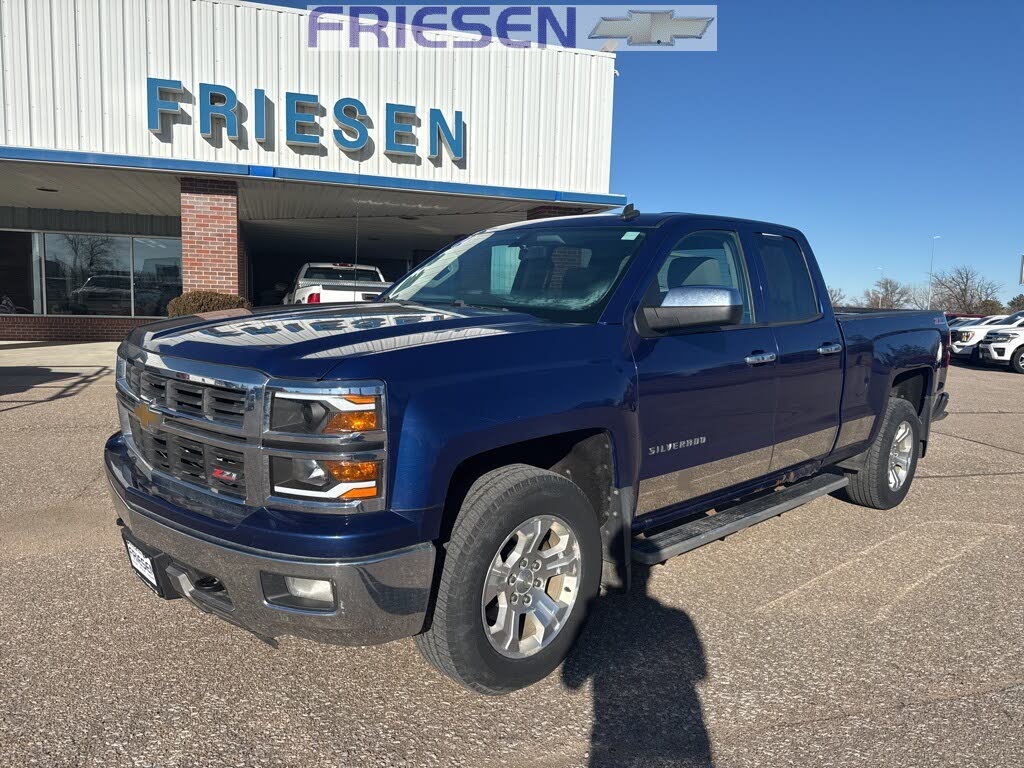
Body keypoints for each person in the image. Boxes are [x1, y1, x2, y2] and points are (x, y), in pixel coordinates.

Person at [563, 565, 712, 768]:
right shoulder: (678, 618)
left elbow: (571, 680)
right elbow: (699, 673)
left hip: (612, 733)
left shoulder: (600, 613)